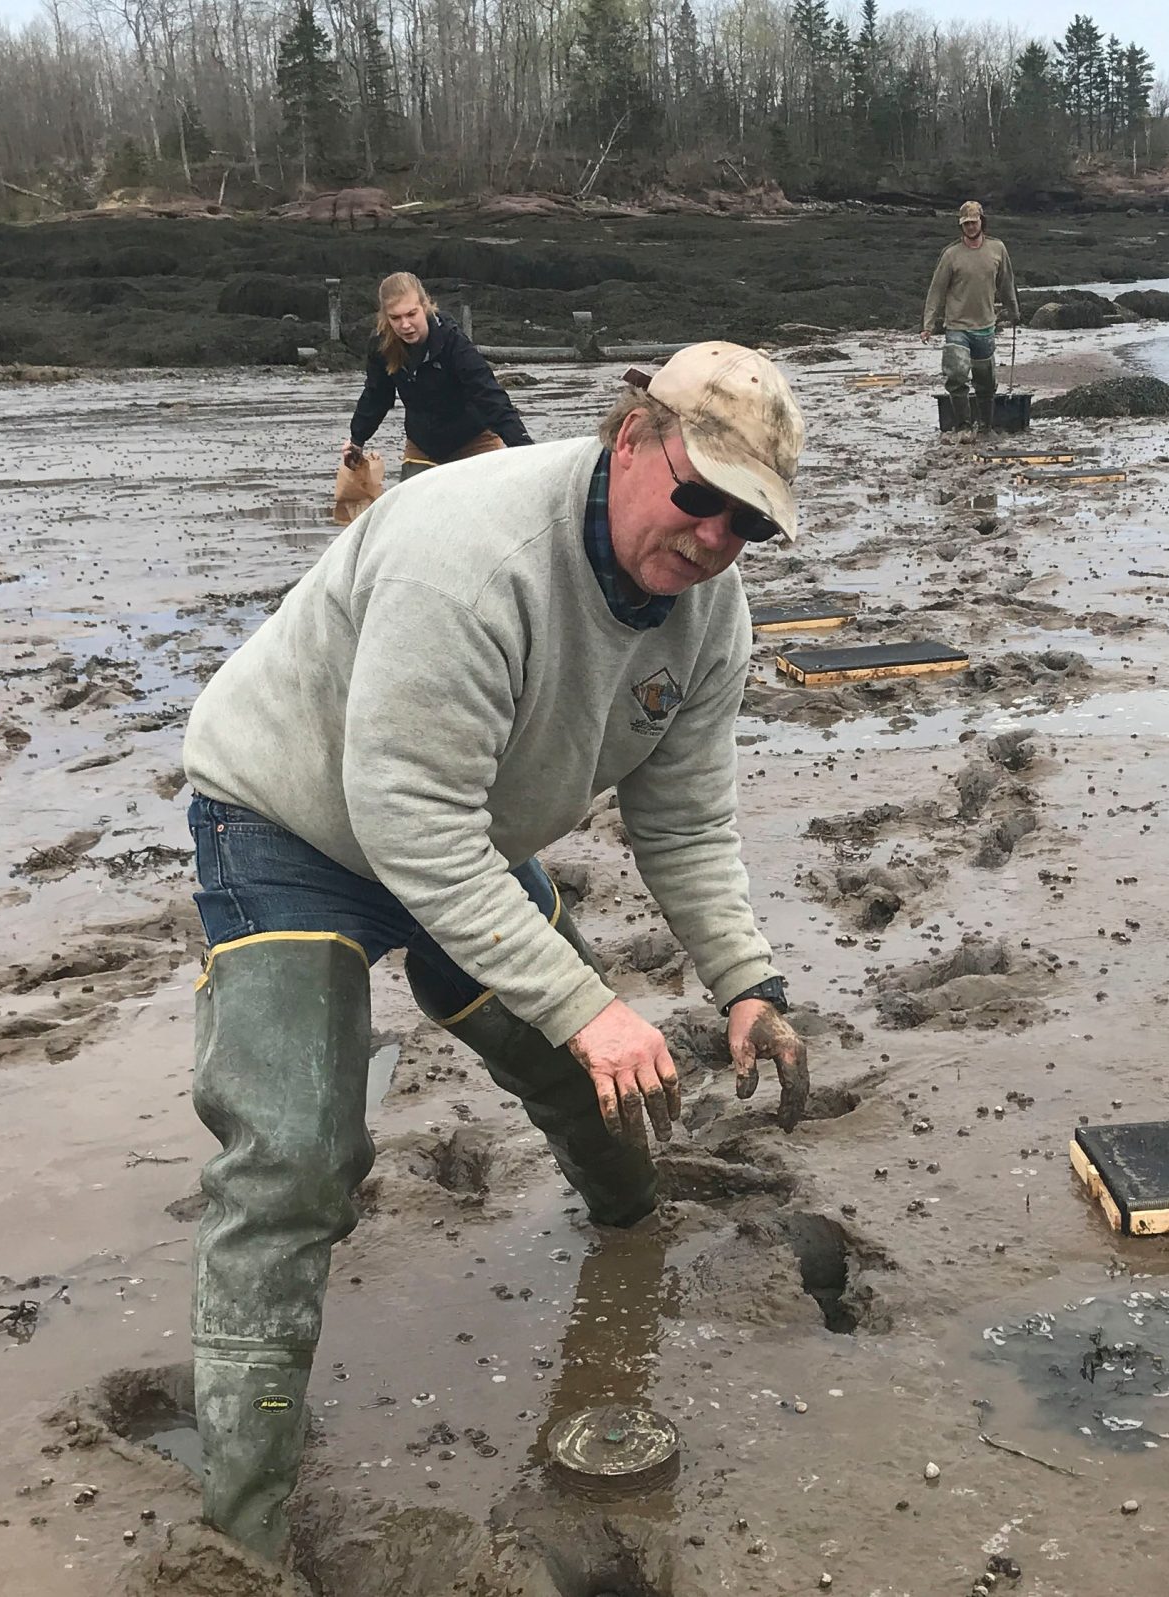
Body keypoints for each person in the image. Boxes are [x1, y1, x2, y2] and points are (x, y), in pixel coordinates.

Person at [178, 341, 812, 1562]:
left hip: (458, 826)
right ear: (632, 438)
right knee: (299, 1148)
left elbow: (682, 817)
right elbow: (401, 818)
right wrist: (588, 999)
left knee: (592, 1072)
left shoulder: (709, 612)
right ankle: (242, 1529)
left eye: (750, 523)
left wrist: (748, 984)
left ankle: (633, 1232)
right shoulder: (468, 551)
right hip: (290, 816)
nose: (715, 538)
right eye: (699, 496)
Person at [342, 270, 533, 482]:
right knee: (412, 508)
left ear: (425, 306)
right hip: (423, 444)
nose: (405, 325)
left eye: (411, 314)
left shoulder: (452, 341)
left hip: (473, 439)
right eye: (395, 318)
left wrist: (524, 449)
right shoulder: (381, 346)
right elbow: (376, 396)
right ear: (385, 317)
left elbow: (488, 395)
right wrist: (356, 439)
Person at [920, 199, 1018, 429]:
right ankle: (963, 427)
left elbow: (1007, 284)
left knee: (986, 382)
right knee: (956, 376)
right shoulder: (951, 255)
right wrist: (928, 324)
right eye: (965, 224)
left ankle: (986, 426)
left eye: (973, 222)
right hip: (956, 326)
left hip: (985, 325)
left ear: (982, 222)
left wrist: (1014, 310)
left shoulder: (997, 249)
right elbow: (936, 291)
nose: (970, 227)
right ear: (961, 226)